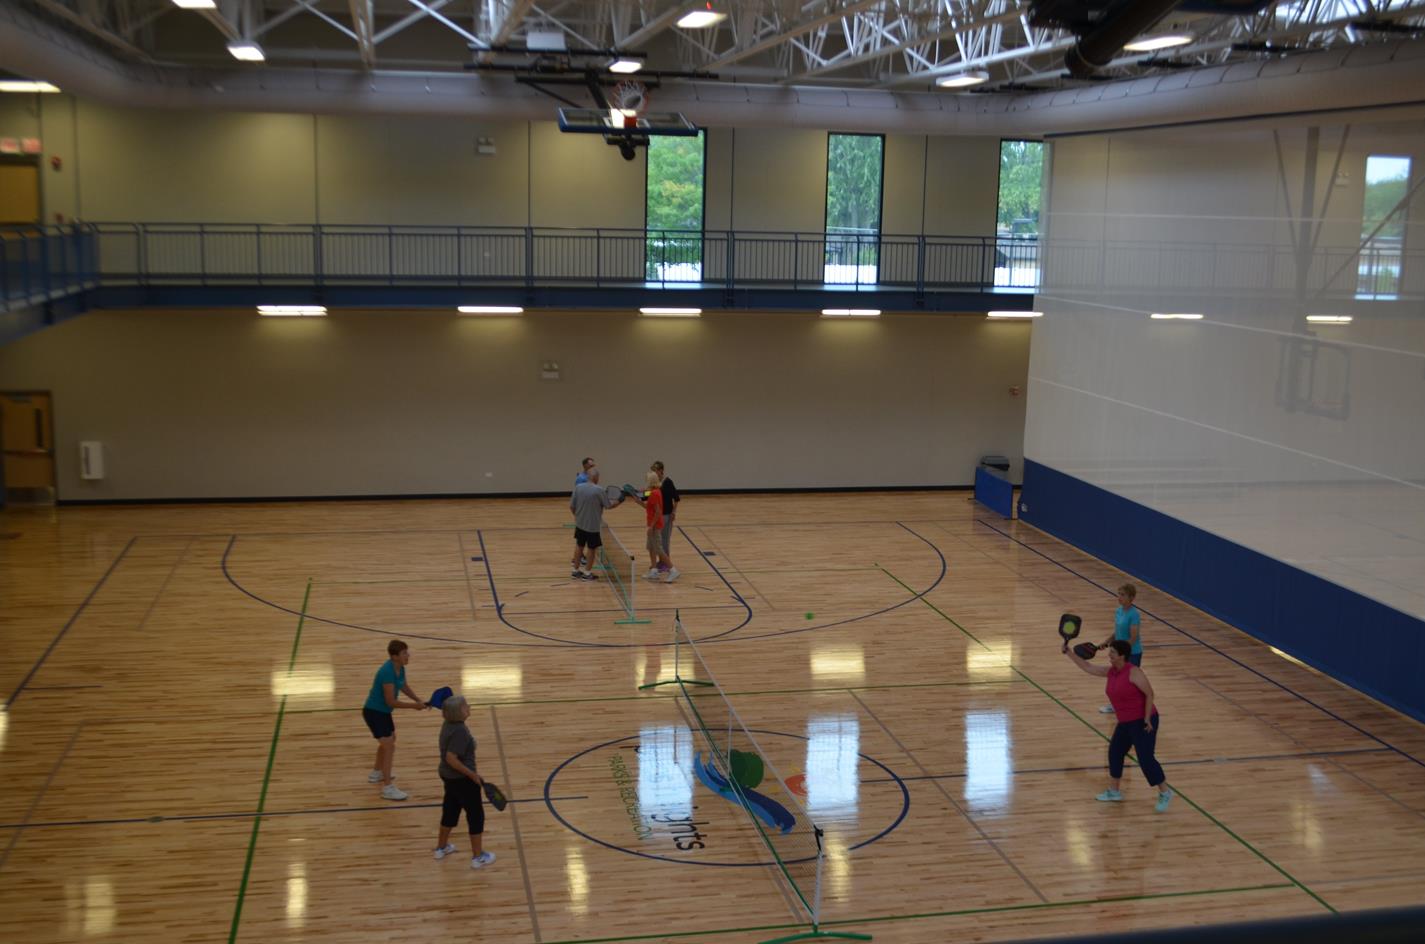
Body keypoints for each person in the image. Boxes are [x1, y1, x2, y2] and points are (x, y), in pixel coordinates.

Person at [1066, 639, 1173, 812]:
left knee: (1145, 758)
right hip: (1125, 722)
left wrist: (1146, 718)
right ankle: (1114, 792)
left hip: (1143, 721)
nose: (1109, 655)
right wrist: (1069, 653)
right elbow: (1089, 668)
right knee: (1115, 751)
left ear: (1122, 656)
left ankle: (1165, 792)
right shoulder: (1112, 672)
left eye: (1113, 653)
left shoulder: (1134, 672)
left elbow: (1150, 694)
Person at [432, 694, 496, 870]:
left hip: (448, 777)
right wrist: (473, 776)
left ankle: (441, 848)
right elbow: (451, 758)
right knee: (476, 816)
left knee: (450, 810)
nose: (469, 707)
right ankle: (478, 857)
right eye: (465, 706)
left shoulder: (448, 725)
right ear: (458, 712)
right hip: (462, 780)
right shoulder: (459, 731)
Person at [362, 640, 428, 801]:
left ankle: (377, 773)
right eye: (404, 653)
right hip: (374, 712)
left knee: (388, 742)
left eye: (407, 652)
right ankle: (387, 788)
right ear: (394, 657)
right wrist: (413, 706)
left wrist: (418, 699)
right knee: (389, 745)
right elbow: (390, 701)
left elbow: (403, 686)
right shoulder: (387, 672)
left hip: (383, 713)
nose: (408, 655)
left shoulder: (400, 668)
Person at [1099, 583, 1143, 713]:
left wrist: (1121, 652)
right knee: (1117, 680)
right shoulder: (1118, 611)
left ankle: (1134, 706)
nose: (1119, 597)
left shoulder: (1134, 614)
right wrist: (1107, 642)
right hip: (1119, 653)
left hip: (1132, 653)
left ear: (1131, 597)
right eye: (1119, 594)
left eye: (1123, 595)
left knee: (1129, 682)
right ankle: (1117, 705)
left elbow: (1134, 637)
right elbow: (1117, 632)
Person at [570, 467, 619, 580]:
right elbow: (608, 506)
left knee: (579, 545)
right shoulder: (599, 490)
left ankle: (575, 571)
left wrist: (578, 517)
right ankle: (587, 573)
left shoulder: (578, 487)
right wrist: (619, 501)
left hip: (580, 524)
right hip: (592, 526)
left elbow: (572, 506)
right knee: (592, 549)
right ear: (596, 477)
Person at [643, 470, 678, 582]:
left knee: (658, 548)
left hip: (655, 526)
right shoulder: (656, 491)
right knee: (651, 547)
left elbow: (658, 512)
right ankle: (654, 570)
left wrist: (651, 527)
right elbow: (650, 508)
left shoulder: (654, 494)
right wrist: (638, 502)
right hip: (652, 524)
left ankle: (673, 570)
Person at [650, 460, 680, 579]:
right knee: (658, 540)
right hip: (659, 515)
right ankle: (662, 561)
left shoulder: (667, 482)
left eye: (655, 471)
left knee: (665, 540)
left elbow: (676, 499)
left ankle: (666, 564)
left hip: (667, 515)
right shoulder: (656, 484)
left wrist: (674, 512)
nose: (653, 473)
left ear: (661, 471)